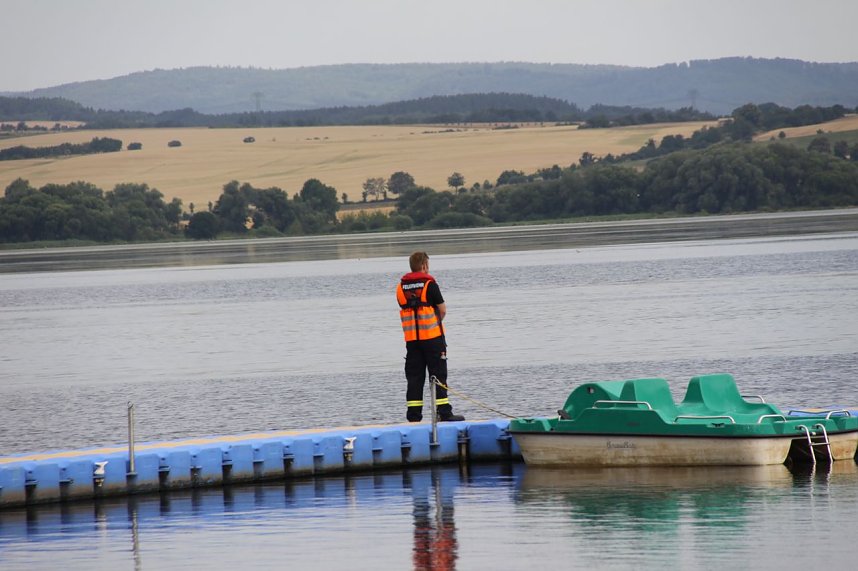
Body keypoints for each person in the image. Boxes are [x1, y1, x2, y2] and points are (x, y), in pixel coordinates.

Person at [396, 251, 464, 422]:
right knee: (438, 375)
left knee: (414, 378)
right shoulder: (430, 285)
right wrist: (435, 323)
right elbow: (442, 310)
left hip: (412, 341)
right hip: (432, 339)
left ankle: (413, 417)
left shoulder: (400, 288)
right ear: (424, 266)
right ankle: (444, 413)